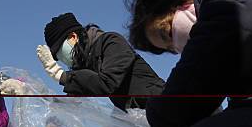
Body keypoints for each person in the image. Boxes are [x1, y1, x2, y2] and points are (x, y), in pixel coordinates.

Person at [37, 13, 165, 112]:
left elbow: (107, 83)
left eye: (59, 51)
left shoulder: (112, 42)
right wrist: (34, 92)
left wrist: (59, 74)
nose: (61, 58)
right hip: (145, 120)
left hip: (164, 105)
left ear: (73, 37)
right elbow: (70, 104)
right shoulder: (85, 65)